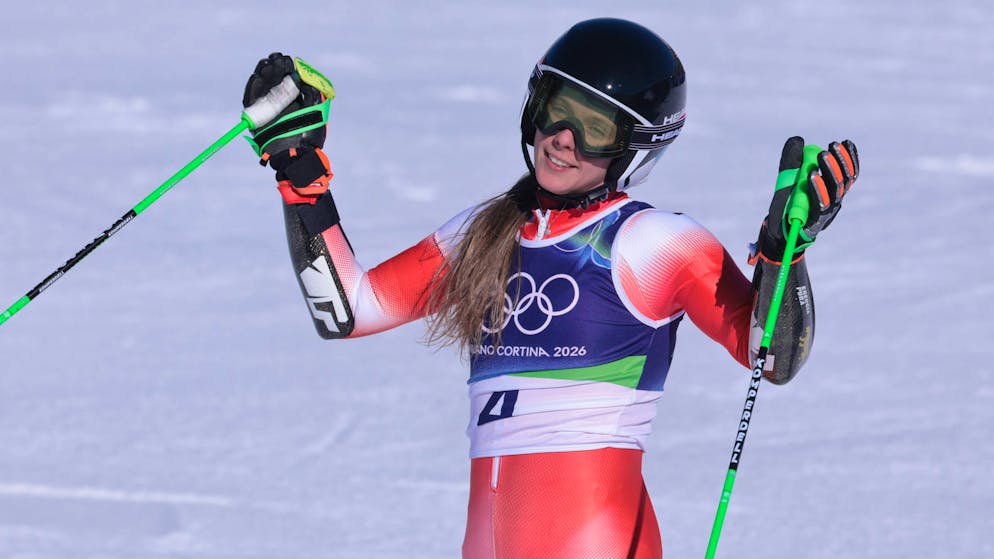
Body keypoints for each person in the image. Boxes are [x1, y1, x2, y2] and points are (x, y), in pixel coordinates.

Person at [242, 17, 858, 559]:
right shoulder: (485, 232)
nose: (563, 137)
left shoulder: (654, 242)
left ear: (637, 148)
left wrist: (782, 256)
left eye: (596, 127)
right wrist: (302, 179)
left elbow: (769, 357)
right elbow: (347, 310)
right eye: (555, 107)